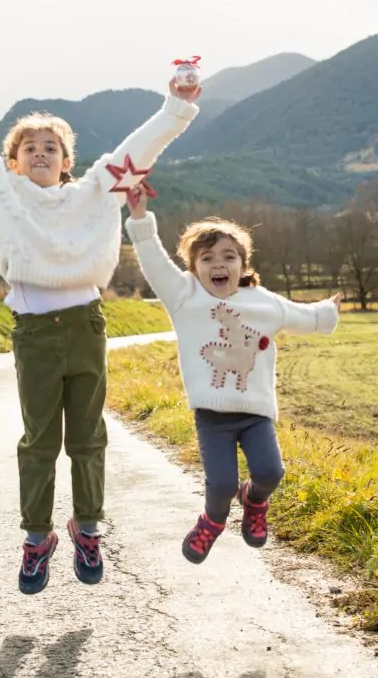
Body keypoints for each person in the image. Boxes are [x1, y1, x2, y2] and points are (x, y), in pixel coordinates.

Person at [0, 38, 200, 594]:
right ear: (13, 161)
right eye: (30, 147)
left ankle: (89, 528)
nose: (41, 152)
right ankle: (36, 538)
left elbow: (137, 150)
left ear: (68, 161)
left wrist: (178, 104)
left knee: (89, 437)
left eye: (52, 146)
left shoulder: (98, 189)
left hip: (87, 325)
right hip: (34, 334)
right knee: (40, 440)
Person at [125, 187, 340, 564]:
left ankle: (254, 500)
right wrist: (141, 219)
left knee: (271, 472)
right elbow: (155, 262)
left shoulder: (262, 301)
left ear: (243, 265)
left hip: (255, 413)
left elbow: (299, 315)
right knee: (220, 484)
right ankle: (213, 521)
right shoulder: (183, 297)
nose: (218, 264)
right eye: (206, 258)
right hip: (212, 417)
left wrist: (326, 310)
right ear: (194, 269)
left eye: (229, 256)